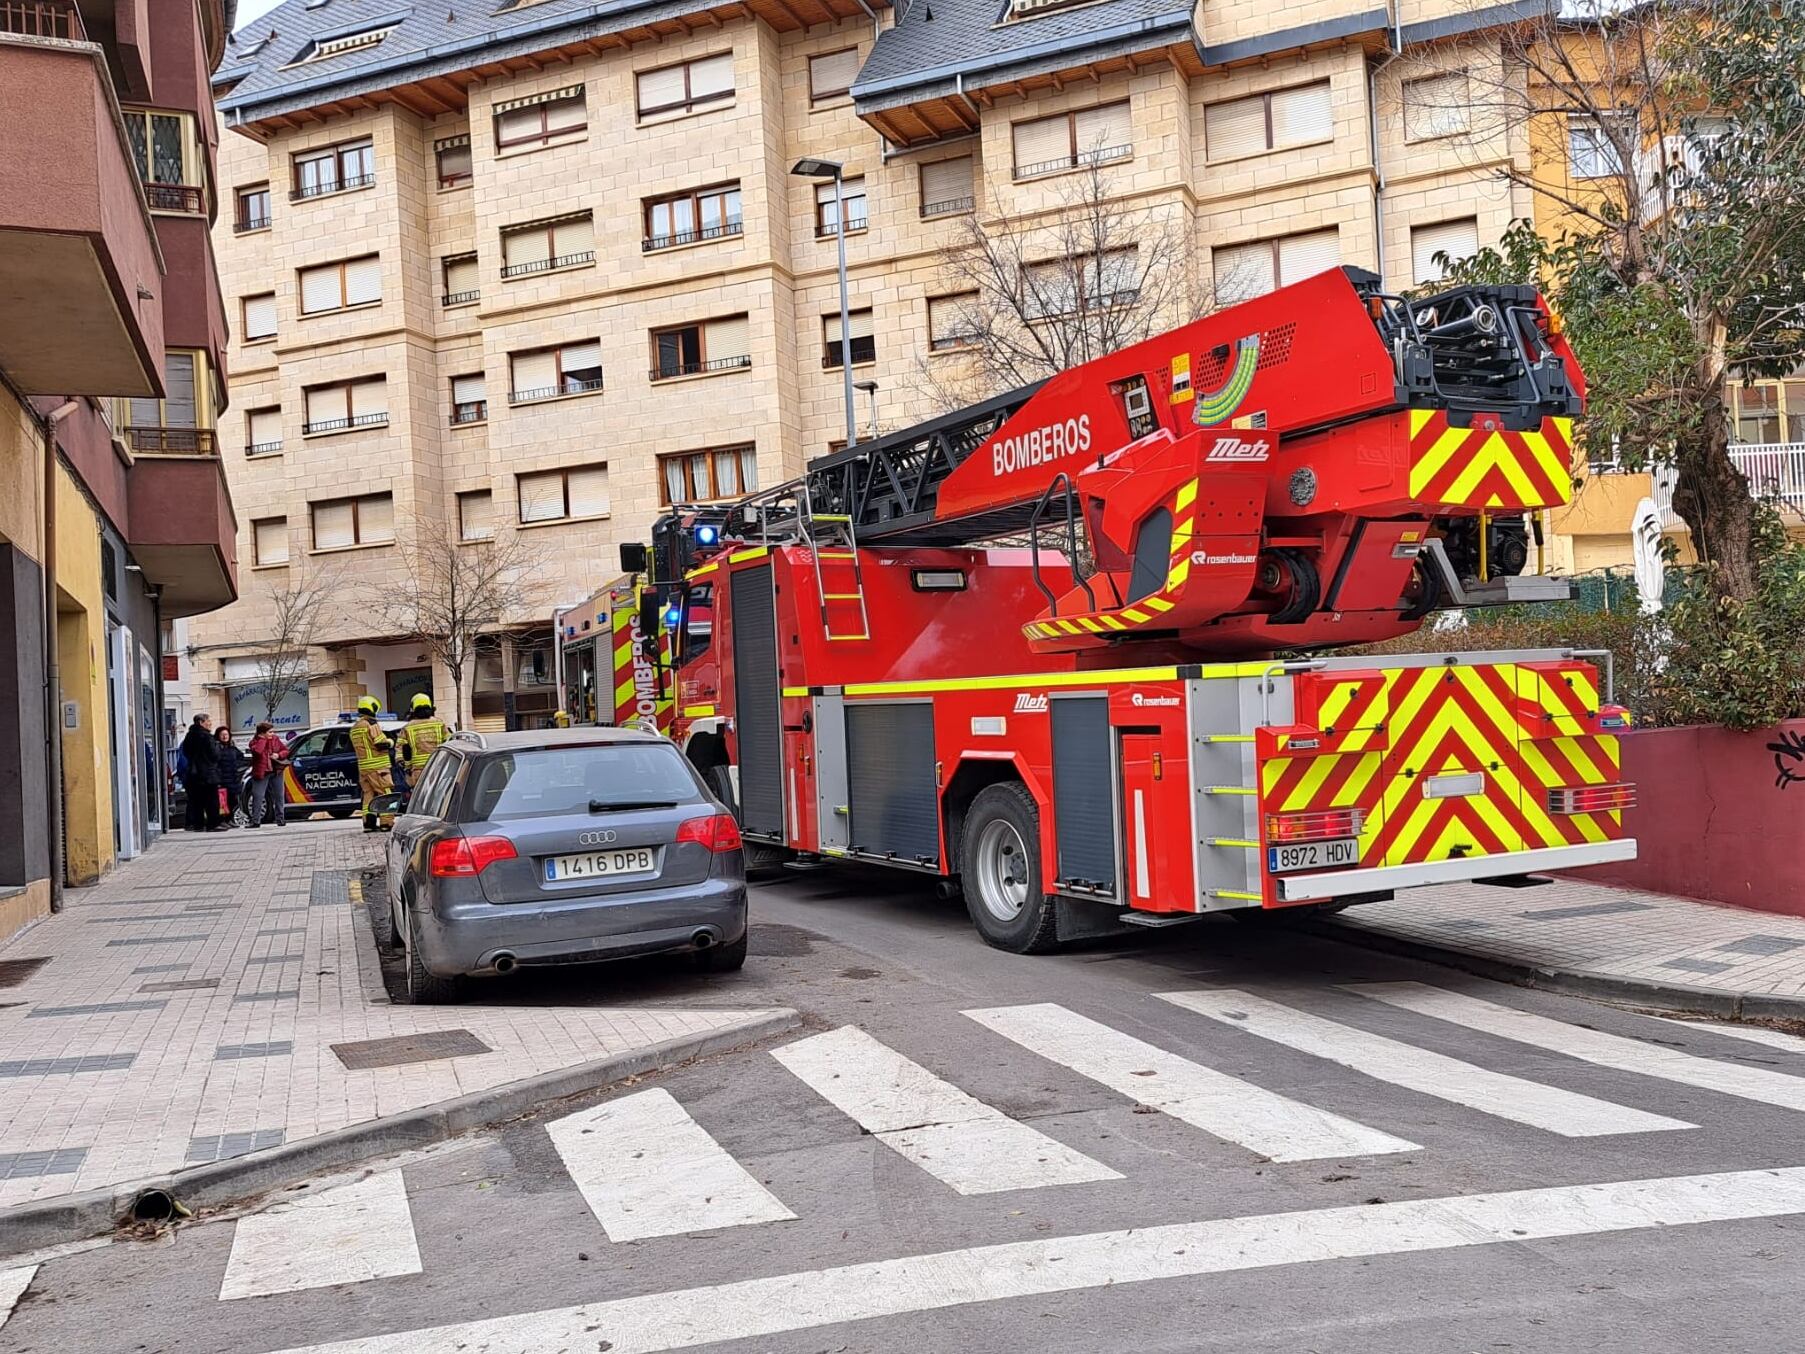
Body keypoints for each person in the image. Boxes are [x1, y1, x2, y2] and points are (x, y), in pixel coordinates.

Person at [348, 695, 393, 832]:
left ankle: (368, 824)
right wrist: (390, 742)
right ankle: (386, 823)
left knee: (368, 794)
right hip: (378, 767)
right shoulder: (371, 724)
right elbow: (380, 743)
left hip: (363, 768)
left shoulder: (354, 728)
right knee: (385, 793)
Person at [178, 714, 222, 832]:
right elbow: (215, 755)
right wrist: (217, 748)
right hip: (208, 773)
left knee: (197, 801)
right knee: (212, 800)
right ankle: (213, 824)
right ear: (201, 722)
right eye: (208, 721)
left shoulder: (189, 737)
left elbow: (186, 752)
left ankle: (198, 824)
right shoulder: (207, 737)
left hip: (193, 773)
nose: (210, 723)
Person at [396, 693, 450, 789]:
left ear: (413, 709)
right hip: (438, 767)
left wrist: (404, 764)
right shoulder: (439, 724)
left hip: (418, 771)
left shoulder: (408, 727)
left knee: (420, 799)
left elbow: (402, 748)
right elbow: (450, 742)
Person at [246, 721, 290, 828]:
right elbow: (258, 751)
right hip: (262, 772)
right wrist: (263, 740)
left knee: (279, 795)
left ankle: (280, 818)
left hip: (276, 770)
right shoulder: (254, 742)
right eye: (270, 732)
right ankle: (255, 820)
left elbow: (285, 750)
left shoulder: (275, 739)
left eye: (272, 732)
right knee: (258, 796)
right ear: (262, 733)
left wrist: (278, 755)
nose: (272, 734)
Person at [214, 726, 246, 824]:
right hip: (222, 780)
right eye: (222, 735)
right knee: (223, 802)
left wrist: (237, 766)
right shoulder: (217, 747)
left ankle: (230, 819)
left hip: (233, 779)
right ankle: (224, 820)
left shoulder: (232, 748)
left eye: (226, 734)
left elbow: (241, 757)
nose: (224, 737)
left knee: (233, 801)